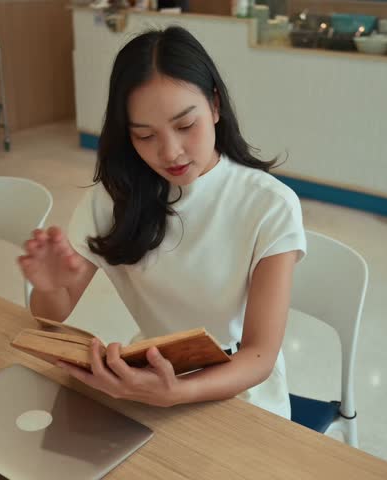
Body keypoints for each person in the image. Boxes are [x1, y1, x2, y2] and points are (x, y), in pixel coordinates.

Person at [17, 26, 305, 418]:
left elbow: (259, 355)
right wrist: (49, 287)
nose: (170, 152)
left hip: (239, 392)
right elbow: (52, 314)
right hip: (150, 377)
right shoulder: (113, 199)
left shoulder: (269, 205)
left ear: (215, 106)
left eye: (186, 126)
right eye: (145, 135)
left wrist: (176, 392)